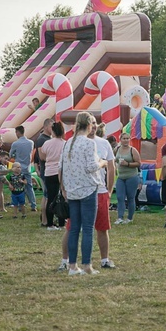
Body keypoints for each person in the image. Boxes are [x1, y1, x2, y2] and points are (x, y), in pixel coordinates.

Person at [59, 111, 106, 275]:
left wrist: (64, 187)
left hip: (72, 190)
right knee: (87, 229)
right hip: (87, 189)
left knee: (74, 229)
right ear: (89, 125)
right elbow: (91, 167)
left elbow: (61, 167)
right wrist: (102, 163)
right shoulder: (88, 143)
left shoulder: (68, 143)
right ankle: (87, 265)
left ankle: (72, 266)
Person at [89, 122, 117, 269]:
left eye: (94, 123)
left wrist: (109, 189)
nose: (93, 126)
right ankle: (67, 261)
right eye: (90, 123)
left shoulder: (104, 143)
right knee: (73, 228)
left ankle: (104, 259)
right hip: (82, 192)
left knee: (102, 227)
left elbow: (112, 167)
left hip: (100, 191)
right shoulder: (74, 142)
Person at [40, 122, 66, 230]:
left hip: (49, 172)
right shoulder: (65, 143)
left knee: (50, 198)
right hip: (61, 172)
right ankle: (61, 222)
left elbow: (42, 156)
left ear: (53, 131)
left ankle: (49, 223)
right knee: (62, 197)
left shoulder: (47, 143)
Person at [114, 132, 141, 224]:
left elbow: (138, 163)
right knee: (120, 197)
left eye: (127, 138)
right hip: (121, 177)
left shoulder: (133, 150)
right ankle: (120, 217)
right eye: (124, 138)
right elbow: (113, 159)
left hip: (131, 176)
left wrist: (128, 164)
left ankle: (129, 218)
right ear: (120, 140)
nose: (125, 140)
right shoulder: (116, 149)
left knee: (130, 197)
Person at [9, 125, 36, 211]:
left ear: (17, 132)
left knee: (18, 187)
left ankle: (20, 205)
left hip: (18, 168)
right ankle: (33, 205)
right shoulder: (31, 142)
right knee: (29, 187)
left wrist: (15, 155)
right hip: (27, 167)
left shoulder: (15, 144)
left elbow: (10, 155)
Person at [35, 118, 53, 227]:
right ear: (46, 127)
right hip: (46, 171)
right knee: (46, 196)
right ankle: (44, 219)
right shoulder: (42, 139)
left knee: (48, 195)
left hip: (48, 170)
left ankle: (47, 218)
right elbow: (41, 156)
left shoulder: (48, 138)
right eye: (51, 126)